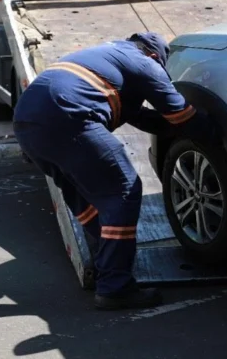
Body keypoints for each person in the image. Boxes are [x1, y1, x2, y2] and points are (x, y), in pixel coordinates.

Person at [12, 32, 208, 310]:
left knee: (86, 197)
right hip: (68, 115)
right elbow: (180, 114)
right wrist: (216, 134)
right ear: (155, 56)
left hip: (27, 123)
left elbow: (147, 119)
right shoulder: (145, 63)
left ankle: (107, 262)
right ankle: (115, 286)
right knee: (124, 189)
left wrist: (174, 129)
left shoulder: (108, 59)